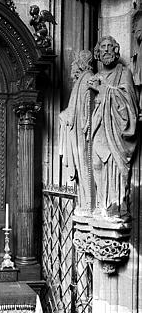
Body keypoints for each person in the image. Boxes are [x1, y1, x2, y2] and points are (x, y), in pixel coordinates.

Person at [89, 36, 138, 220]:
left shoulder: (124, 73)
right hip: (99, 127)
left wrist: (103, 90)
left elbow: (129, 101)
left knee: (114, 166)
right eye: (103, 47)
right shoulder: (96, 76)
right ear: (98, 52)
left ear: (116, 51)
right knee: (96, 164)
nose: (107, 50)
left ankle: (115, 205)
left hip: (116, 132)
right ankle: (101, 203)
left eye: (111, 46)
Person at [59, 50, 94, 214]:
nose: (72, 66)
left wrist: (66, 116)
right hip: (76, 132)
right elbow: (73, 110)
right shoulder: (80, 80)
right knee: (81, 168)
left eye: (74, 63)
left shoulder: (86, 78)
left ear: (81, 63)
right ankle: (84, 201)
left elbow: (83, 110)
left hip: (81, 133)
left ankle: (88, 203)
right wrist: (64, 115)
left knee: (84, 166)